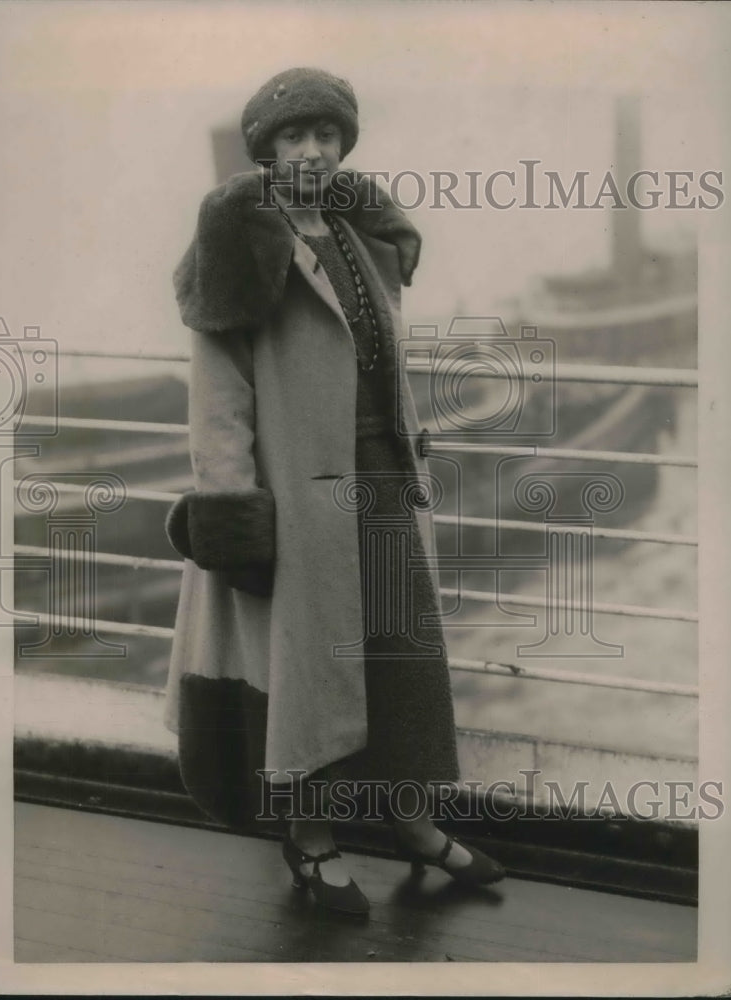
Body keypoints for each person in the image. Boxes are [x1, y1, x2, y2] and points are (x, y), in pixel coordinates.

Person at [164, 67, 505, 917]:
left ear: (343, 144)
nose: (311, 150)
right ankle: (311, 839)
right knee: (308, 682)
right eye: (291, 138)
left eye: (325, 135)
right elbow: (218, 396)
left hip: (383, 482)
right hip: (298, 503)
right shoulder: (239, 243)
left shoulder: (359, 231)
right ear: (265, 151)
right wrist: (234, 509)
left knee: (401, 666)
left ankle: (412, 823)